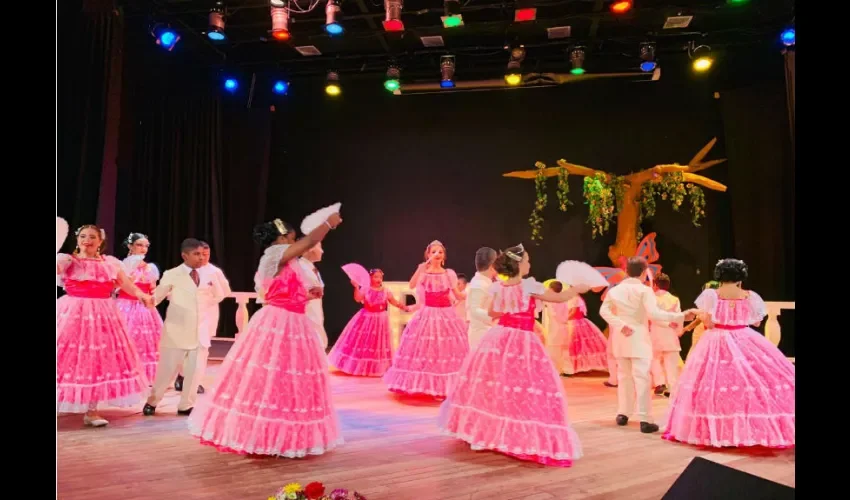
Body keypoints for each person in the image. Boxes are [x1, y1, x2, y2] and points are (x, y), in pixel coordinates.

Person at [189, 215, 343, 457]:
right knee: (270, 376)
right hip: (279, 322)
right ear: (282, 238)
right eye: (292, 237)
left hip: (294, 320)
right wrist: (327, 224)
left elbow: (282, 290)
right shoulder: (273, 256)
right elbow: (308, 243)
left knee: (290, 379)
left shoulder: (285, 260)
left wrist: (305, 294)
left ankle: (287, 435)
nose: (296, 241)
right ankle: (264, 434)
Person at [438, 244, 589, 467]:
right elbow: (558, 298)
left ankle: (487, 433)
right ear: (518, 264)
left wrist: (510, 309)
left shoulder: (498, 287)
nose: (529, 263)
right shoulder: (529, 286)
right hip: (522, 340)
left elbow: (491, 313)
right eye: (527, 260)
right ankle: (515, 436)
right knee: (522, 385)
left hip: (500, 337)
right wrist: (577, 288)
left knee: (496, 385)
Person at [662, 259, 795, 449]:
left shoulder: (711, 294)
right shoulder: (750, 295)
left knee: (714, 385)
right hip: (744, 336)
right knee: (748, 384)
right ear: (741, 275)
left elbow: (708, 322)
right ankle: (746, 430)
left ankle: (719, 431)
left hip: (716, 339)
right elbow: (756, 322)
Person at [56, 225, 153, 427]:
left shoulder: (110, 263)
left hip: (103, 314)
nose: (87, 240)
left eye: (92, 237)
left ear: (100, 241)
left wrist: (142, 295)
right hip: (72, 312)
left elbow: (126, 284)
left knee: (97, 361)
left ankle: (92, 411)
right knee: (64, 358)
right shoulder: (67, 261)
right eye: (83, 236)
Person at [599, 257, 695, 433]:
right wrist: (680, 316)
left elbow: (603, 311)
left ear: (627, 271)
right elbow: (654, 314)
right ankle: (645, 419)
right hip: (639, 337)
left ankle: (623, 413)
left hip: (621, 337)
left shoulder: (616, 290)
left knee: (624, 376)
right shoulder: (644, 290)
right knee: (641, 377)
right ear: (643, 272)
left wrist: (620, 325)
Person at [143, 239, 228, 416]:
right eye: (196, 254)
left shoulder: (211, 273)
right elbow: (156, 297)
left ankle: (186, 405)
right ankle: (153, 401)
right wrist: (143, 297)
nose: (201, 258)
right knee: (166, 370)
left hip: (200, 331)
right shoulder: (172, 273)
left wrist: (207, 303)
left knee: (195, 372)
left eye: (203, 254)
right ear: (185, 255)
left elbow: (221, 294)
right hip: (176, 331)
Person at [383, 240, 468, 398]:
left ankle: (443, 388)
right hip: (427, 314)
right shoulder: (423, 272)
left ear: (444, 256)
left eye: (440, 252)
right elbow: (411, 285)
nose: (437, 254)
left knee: (443, 350)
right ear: (428, 255)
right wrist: (419, 269)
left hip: (446, 315)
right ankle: (422, 385)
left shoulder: (449, 273)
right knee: (426, 350)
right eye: (434, 251)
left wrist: (472, 294)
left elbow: (457, 294)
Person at [174, 241, 231, 394]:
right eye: (200, 254)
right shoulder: (184, 270)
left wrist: (207, 301)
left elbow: (225, 291)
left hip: (208, 313)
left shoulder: (214, 271)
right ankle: (182, 375)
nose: (203, 258)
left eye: (206, 255)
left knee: (202, 348)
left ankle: (195, 380)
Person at [327, 269, 409, 376]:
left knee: (378, 343)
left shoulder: (386, 290)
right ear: (370, 278)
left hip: (380, 319)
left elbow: (393, 301)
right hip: (366, 318)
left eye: (380, 277)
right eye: (376, 277)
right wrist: (356, 287)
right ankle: (360, 366)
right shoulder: (366, 289)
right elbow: (358, 298)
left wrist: (403, 306)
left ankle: (376, 368)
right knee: (364, 342)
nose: (378, 279)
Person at [115, 232, 163, 382]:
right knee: (127, 338)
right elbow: (115, 288)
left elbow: (153, 288)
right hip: (125, 305)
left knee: (148, 342)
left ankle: (146, 376)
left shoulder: (150, 268)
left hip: (145, 308)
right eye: (139, 245)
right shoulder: (121, 265)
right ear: (130, 246)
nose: (143, 249)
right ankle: (125, 374)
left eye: (146, 246)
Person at [546, 281, 609, 375]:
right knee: (575, 346)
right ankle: (571, 367)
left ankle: (571, 368)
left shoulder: (574, 298)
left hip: (573, 322)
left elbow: (573, 311)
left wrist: (565, 319)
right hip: (575, 321)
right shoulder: (575, 298)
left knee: (572, 346)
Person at [648, 273, 683, 397]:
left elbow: (652, 316)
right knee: (671, 361)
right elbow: (679, 317)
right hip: (670, 334)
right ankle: (672, 386)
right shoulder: (674, 299)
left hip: (656, 332)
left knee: (654, 358)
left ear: (656, 285)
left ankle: (660, 383)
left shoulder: (651, 298)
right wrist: (678, 331)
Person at [465, 247, 498, 350]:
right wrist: (495, 314)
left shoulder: (485, 282)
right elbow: (475, 310)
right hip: (481, 335)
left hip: (486, 332)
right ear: (492, 265)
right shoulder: (479, 284)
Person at [300, 242, 328, 350]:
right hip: (305, 312)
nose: (322, 251)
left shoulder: (311, 267)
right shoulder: (300, 266)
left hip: (315, 310)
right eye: (319, 247)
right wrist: (309, 293)